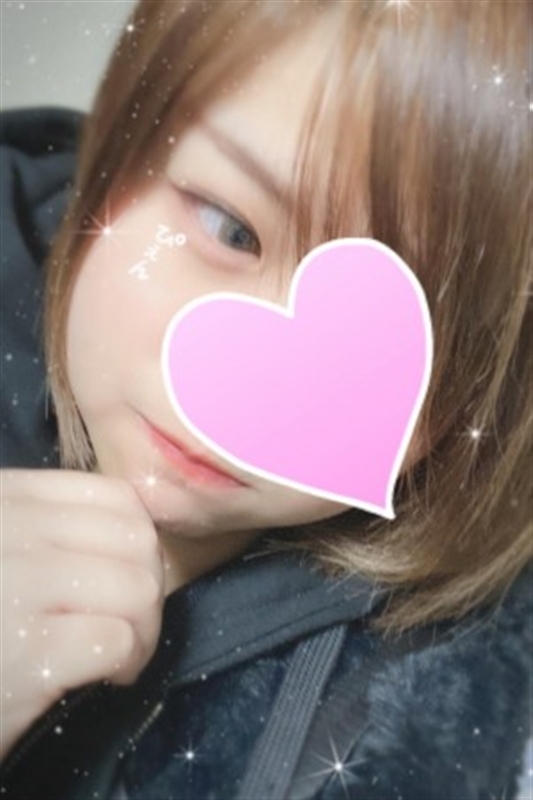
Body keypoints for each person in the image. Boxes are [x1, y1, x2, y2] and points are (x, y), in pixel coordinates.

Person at [1, 1, 531, 798]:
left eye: (380, 339)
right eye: (230, 229)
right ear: (118, 139)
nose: (249, 398)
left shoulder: (433, 715)